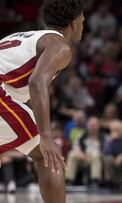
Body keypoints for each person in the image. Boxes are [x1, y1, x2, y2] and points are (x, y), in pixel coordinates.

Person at [0, 0, 85, 202]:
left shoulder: (26, 37)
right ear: (74, 23)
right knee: (48, 156)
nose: (83, 27)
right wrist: (46, 137)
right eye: (83, 21)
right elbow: (37, 83)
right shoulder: (60, 46)